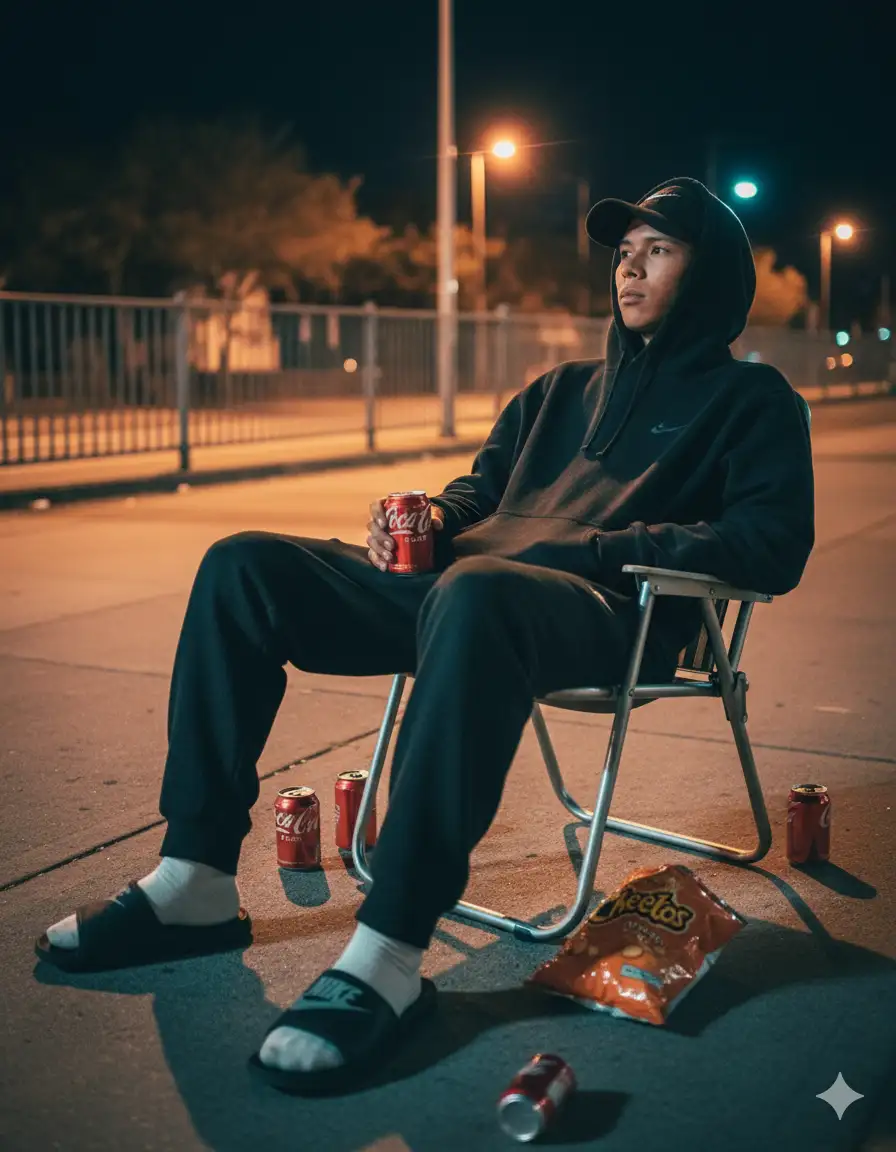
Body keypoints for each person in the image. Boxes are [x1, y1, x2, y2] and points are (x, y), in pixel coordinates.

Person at [36, 176, 815, 1095]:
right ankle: (195, 877)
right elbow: (480, 493)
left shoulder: (753, 400)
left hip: (613, 615)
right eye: (623, 251)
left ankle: (389, 950)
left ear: (713, 272)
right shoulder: (559, 391)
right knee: (243, 563)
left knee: (479, 591)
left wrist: (599, 548)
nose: (631, 266)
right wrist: (432, 516)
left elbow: (770, 545)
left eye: (661, 249)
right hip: (464, 593)